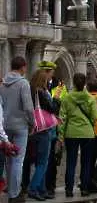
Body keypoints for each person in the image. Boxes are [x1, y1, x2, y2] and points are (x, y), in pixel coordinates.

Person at [58, 73, 97, 197]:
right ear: (85, 83)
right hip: (87, 133)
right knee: (86, 163)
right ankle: (84, 188)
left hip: (71, 133)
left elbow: (62, 118)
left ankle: (69, 189)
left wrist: (60, 136)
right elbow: (96, 117)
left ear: (74, 83)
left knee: (71, 162)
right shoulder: (90, 99)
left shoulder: (67, 98)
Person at [0, 56, 34, 203]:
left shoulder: (2, 83)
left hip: (5, 125)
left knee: (9, 160)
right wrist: (32, 123)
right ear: (23, 67)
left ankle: (10, 189)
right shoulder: (23, 83)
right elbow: (28, 107)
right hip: (20, 126)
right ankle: (15, 194)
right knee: (18, 160)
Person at [26, 69, 60, 201]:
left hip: (34, 129)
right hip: (43, 129)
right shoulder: (42, 93)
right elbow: (52, 108)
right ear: (43, 80)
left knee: (40, 161)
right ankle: (33, 188)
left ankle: (42, 188)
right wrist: (56, 98)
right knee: (42, 162)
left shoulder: (31, 91)